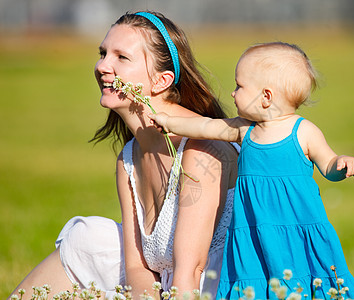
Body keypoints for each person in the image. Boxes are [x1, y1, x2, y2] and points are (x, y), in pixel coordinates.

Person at [9, 11, 239, 299]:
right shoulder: (129, 158)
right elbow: (138, 269)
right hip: (168, 288)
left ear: (161, 81)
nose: (103, 66)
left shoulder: (201, 150)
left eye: (121, 57)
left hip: (211, 290)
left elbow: (190, 272)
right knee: (87, 239)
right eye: (103, 53)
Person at [149, 42, 354, 299]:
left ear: (266, 97)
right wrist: (169, 122)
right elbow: (206, 127)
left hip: (295, 224)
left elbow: (328, 165)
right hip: (253, 227)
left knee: (301, 277)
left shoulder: (303, 131)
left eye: (239, 86)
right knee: (255, 278)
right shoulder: (244, 130)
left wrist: (342, 165)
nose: (232, 93)